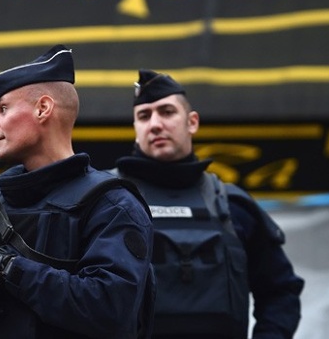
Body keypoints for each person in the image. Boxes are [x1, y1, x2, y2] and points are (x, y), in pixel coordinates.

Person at [0, 45, 155, 339]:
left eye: (2, 109)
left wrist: (8, 270)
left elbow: (111, 308)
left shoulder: (112, 205)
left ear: (43, 108)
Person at [110, 69, 305, 339]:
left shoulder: (233, 205)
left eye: (167, 112)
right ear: (135, 129)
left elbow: (280, 291)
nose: (155, 124)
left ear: (192, 122)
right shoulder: (106, 200)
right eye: (144, 116)